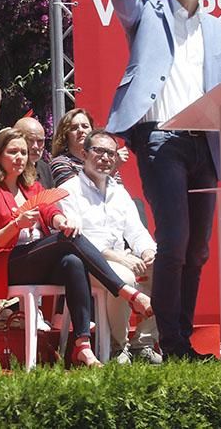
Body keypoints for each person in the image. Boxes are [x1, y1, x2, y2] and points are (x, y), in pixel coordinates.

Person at [107, 0, 221, 360]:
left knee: (198, 246)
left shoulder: (218, 28)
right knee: (175, 239)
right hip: (159, 137)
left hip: (205, 142)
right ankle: (171, 342)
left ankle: (180, 338)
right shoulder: (146, 11)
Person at [0, 128, 154, 367]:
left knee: (73, 261)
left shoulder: (32, 188)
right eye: (12, 152)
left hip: (36, 261)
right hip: (6, 264)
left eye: (23, 153)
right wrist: (16, 225)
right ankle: (130, 293)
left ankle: (83, 346)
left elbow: (50, 211)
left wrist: (61, 221)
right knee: (67, 240)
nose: (20, 157)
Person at [58, 130, 160, 364]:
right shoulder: (69, 190)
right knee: (122, 274)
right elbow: (76, 239)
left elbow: (136, 231)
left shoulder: (119, 192)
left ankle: (143, 343)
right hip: (86, 261)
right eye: (99, 151)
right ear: (84, 154)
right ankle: (117, 346)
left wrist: (147, 251)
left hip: (120, 255)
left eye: (111, 154)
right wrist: (116, 256)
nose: (105, 158)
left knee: (164, 268)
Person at [13, 116, 54, 189]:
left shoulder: (45, 169)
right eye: (30, 140)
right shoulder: (11, 169)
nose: (35, 146)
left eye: (40, 141)